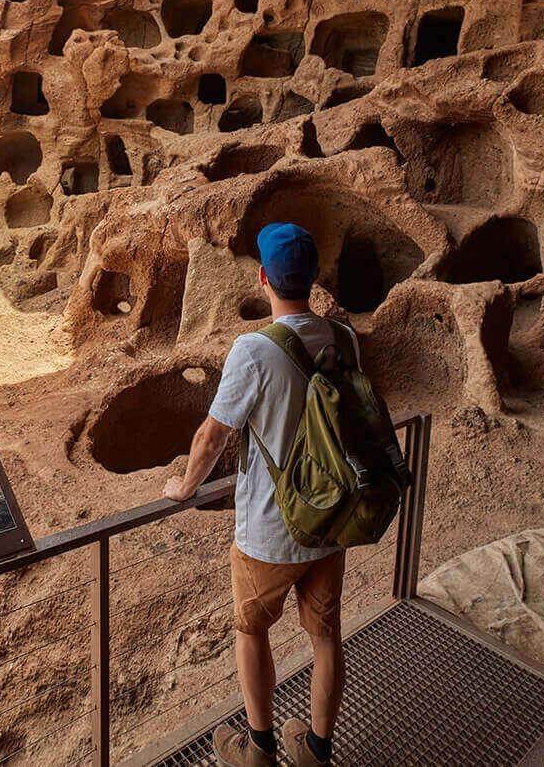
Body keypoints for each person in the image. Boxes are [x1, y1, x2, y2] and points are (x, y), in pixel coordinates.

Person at [163, 222, 353, 767]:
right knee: (325, 638)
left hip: (270, 528)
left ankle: (260, 748)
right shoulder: (343, 339)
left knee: (251, 629)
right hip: (331, 518)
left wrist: (185, 488)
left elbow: (213, 434)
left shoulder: (254, 350)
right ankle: (316, 748)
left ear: (264, 278)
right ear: (313, 279)